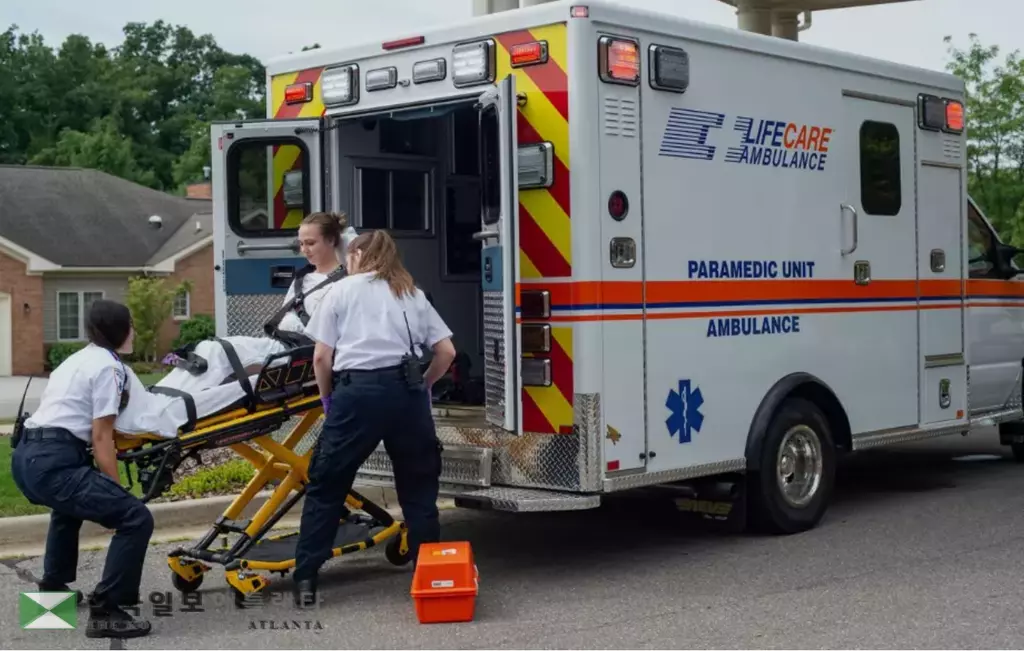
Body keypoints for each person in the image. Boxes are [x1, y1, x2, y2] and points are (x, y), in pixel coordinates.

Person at [291, 230, 457, 607]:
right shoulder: (411, 293)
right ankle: (427, 575)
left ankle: (306, 580)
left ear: (359, 255)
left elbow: (321, 358)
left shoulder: (342, 291)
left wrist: (328, 398)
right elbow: (445, 351)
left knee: (327, 485)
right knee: (418, 490)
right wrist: (425, 385)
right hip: (407, 395)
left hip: (358, 395)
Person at [10, 299, 154, 639]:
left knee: (66, 510)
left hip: (28, 457)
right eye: (130, 324)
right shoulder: (109, 367)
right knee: (135, 518)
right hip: (54, 462)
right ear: (118, 330)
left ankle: (53, 593)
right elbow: (102, 438)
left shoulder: (77, 359)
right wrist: (118, 493)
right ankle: (108, 612)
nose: (133, 331)